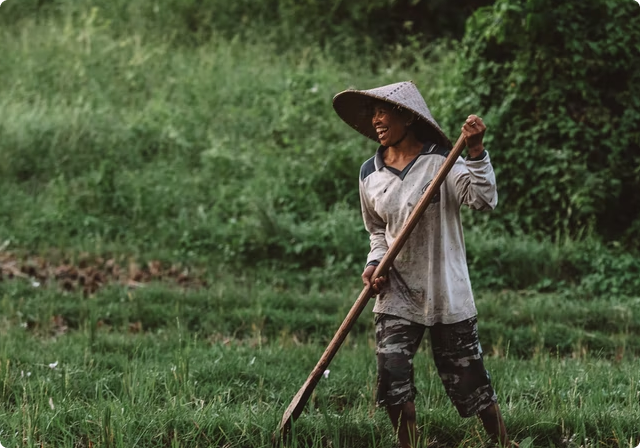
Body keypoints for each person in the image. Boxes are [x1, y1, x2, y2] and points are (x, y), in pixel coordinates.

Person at [332, 81, 513, 447]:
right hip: (397, 292)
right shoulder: (370, 173)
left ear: (408, 117)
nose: (376, 120)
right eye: (373, 114)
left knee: (471, 382)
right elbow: (378, 231)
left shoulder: (441, 162)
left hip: (446, 290)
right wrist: (374, 263)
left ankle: (502, 442)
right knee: (392, 377)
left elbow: (483, 199)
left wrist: (476, 151)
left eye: (384, 112)